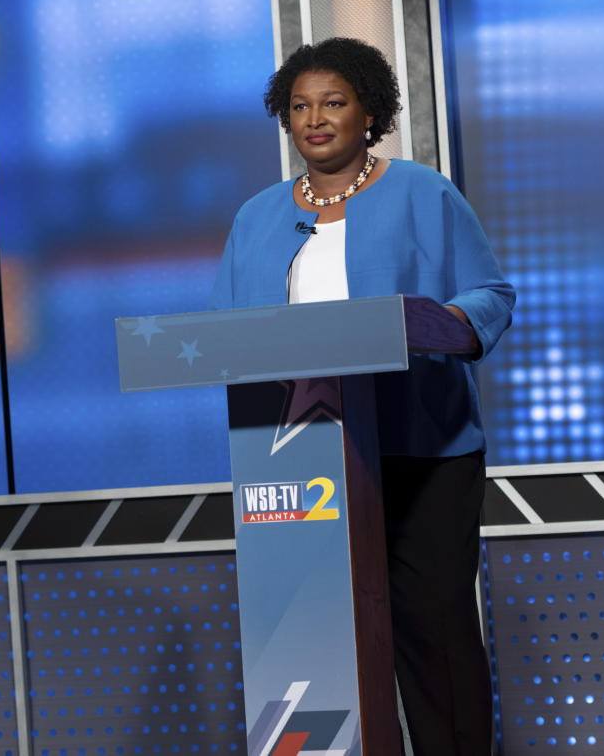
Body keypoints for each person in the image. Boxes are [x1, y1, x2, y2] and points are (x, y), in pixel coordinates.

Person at [211, 38, 514, 755]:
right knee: (314, 630)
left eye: (334, 102)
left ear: (369, 112)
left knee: (430, 626)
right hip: (297, 460)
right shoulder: (256, 216)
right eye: (299, 106)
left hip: (421, 449)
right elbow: (226, 330)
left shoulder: (422, 191)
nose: (315, 118)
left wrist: (448, 323)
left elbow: (489, 294)